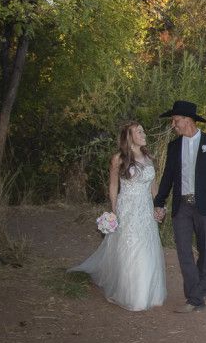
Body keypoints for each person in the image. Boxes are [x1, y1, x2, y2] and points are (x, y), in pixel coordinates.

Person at [70, 122, 167, 311]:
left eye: (143, 130)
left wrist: (159, 206)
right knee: (130, 249)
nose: (144, 133)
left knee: (147, 248)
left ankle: (148, 292)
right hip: (128, 208)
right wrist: (114, 211)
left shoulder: (149, 157)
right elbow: (113, 186)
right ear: (129, 136)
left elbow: (153, 186)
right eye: (139, 131)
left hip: (145, 210)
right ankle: (132, 294)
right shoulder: (118, 158)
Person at [153, 100, 206, 313]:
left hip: (205, 205)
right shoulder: (174, 146)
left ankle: (203, 289)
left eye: (175, 121)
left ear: (188, 120)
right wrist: (159, 202)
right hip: (182, 206)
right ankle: (194, 298)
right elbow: (168, 177)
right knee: (183, 251)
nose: (173, 125)